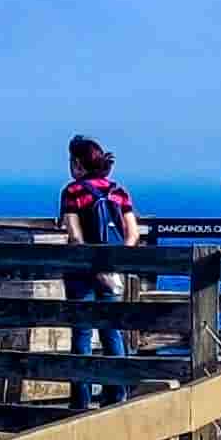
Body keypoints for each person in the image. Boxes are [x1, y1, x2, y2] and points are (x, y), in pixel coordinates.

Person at [57, 136, 140, 373]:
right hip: (111, 267)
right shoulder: (119, 191)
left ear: (77, 163)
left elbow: (75, 236)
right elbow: (133, 234)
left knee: (82, 332)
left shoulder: (72, 192)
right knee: (111, 330)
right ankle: (118, 389)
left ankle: (81, 393)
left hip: (81, 270)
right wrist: (113, 263)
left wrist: (92, 264)